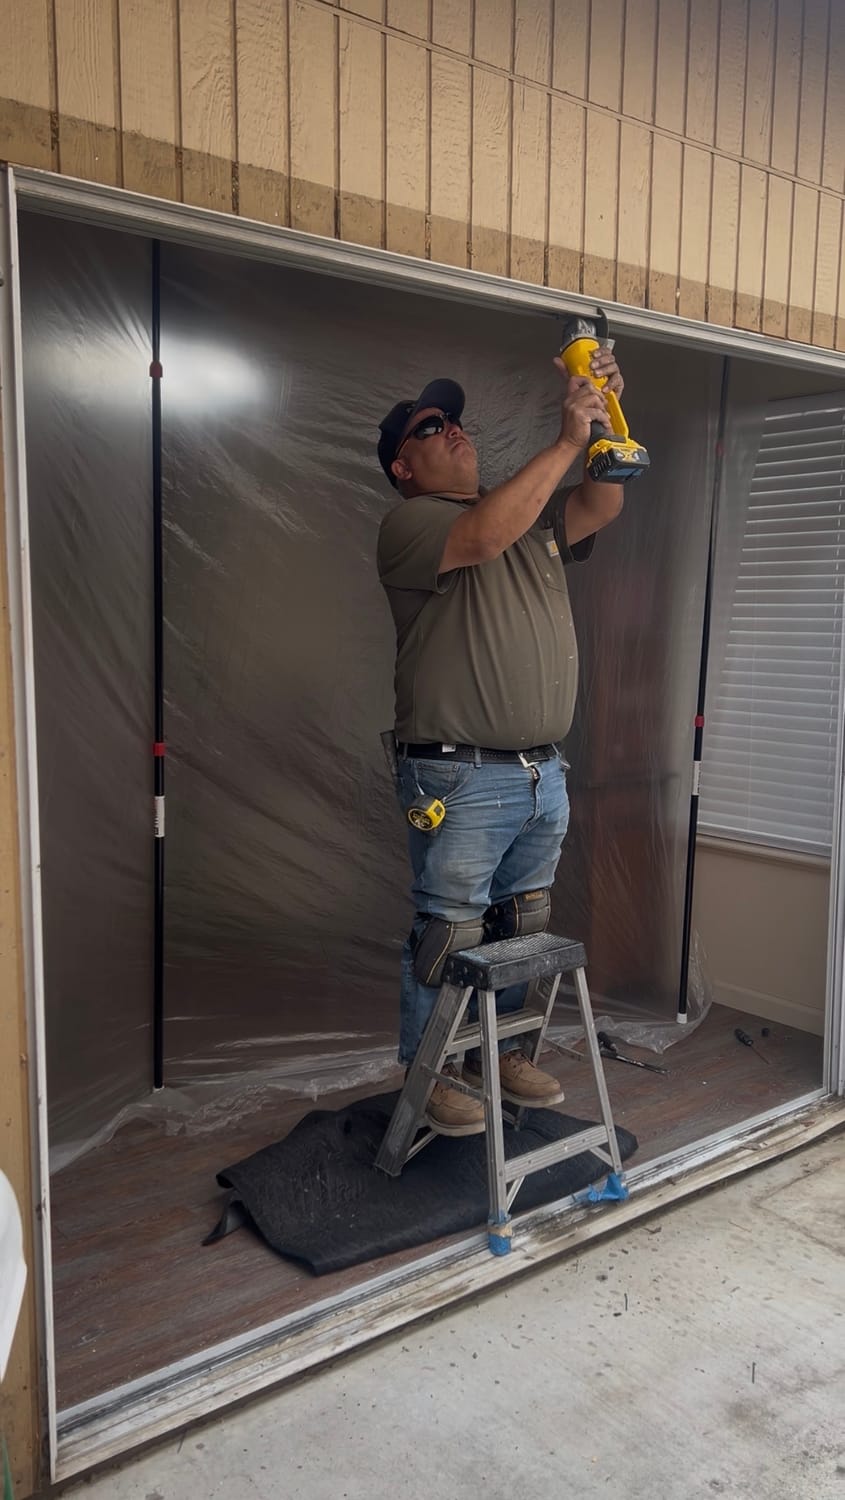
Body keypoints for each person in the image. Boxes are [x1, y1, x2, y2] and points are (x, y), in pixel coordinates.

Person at [376, 347, 626, 1134]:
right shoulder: (412, 524)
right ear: (401, 467)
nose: (452, 430)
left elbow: (602, 504)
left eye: (454, 421)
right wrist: (565, 439)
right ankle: (432, 1073)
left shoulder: (530, 518)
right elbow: (482, 537)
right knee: (449, 928)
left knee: (522, 921)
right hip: (459, 776)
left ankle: (499, 1053)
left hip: (539, 772)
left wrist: (606, 417)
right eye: (429, 428)